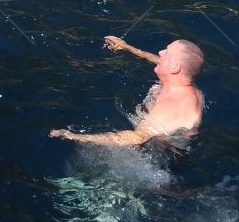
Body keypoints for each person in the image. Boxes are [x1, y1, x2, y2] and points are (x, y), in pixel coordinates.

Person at [50, 36, 204, 148]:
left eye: (167, 52)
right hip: (170, 138)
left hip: (165, 159)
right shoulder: (184, 80)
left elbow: (137, 138)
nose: (160, 52)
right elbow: (161, 62)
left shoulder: (170, 106)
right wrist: (128, 48)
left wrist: (73, 136)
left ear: (175, 68)